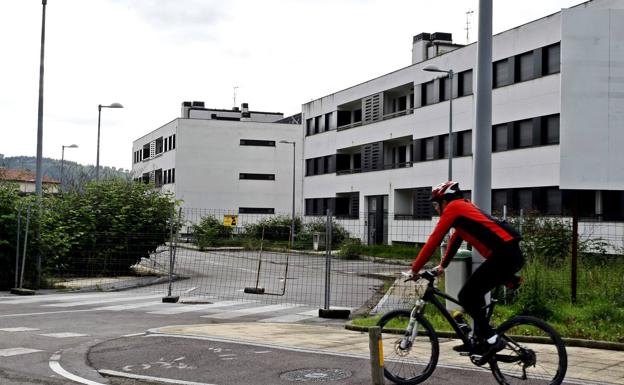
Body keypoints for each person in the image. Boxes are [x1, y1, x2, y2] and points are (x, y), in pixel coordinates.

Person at [410, 181, 524, 358]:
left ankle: (493, 339)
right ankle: (478, 342)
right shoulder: (463, 208)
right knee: (474, 295)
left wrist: (414, 269)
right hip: (507, 254)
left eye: (436, 204)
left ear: (444, 201)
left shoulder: (454, 208)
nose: (436, 209)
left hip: (505, 254)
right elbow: (456, 239)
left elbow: (434, 240)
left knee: (466, 296)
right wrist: (443, 266)